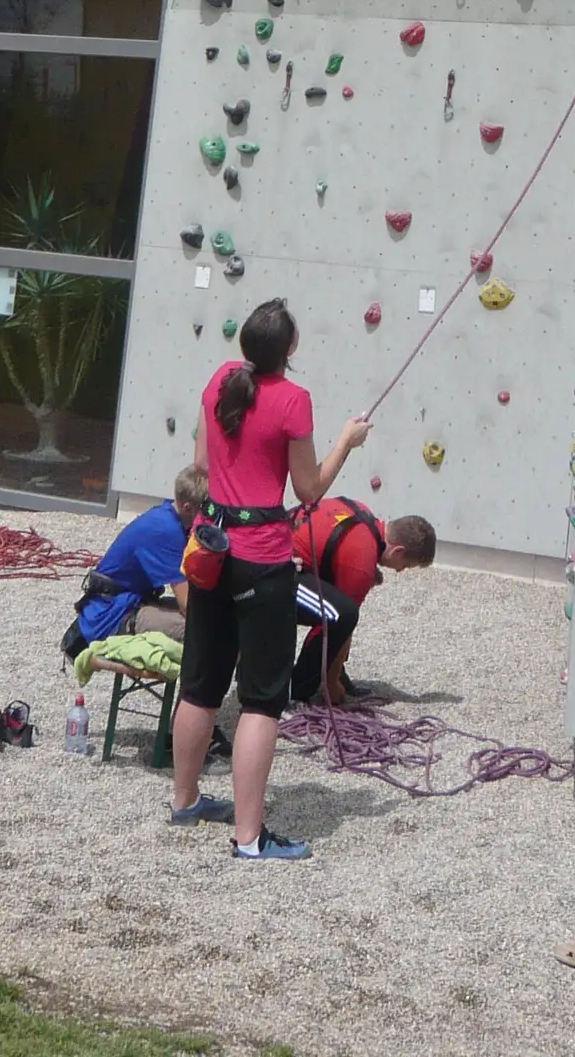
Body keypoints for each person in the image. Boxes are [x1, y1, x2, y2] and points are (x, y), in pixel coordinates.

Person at [167, 298, 371, 859]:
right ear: (290, 351)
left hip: (210, 547)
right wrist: (344, 445)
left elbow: (202, 467)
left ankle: (185, 801)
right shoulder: (292, 400)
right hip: (261, 557)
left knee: (201, 684)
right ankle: (250, 839)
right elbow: (308, 490)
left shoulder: (219, 382)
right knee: (261, 700)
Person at [288, 499, 436, 706]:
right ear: (398, 551)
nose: (401, 571)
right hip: (273, 575)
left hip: (274, 552)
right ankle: (297, 691)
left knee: (341, 611)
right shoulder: (362, 562)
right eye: (406, 565)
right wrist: (331, 685)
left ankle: (335, 672)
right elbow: (341, 625)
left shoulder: (362, 515)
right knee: (341, 616)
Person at [62, 465, 206, 657]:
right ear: (188, 507)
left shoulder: (167, 513)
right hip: (113, 615)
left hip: (126, 602)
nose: (211, 514)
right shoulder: (166, 530)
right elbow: (186, 604)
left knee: (215, 621)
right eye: (207, 508)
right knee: (208, 632)